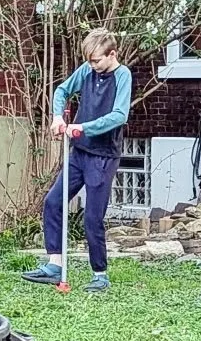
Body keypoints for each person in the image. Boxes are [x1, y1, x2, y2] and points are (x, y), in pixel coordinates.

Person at [22, 28, 132, 293]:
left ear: (112, 54)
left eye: (96, 61)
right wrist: (58, 118)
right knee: (53, 202)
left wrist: (83, 127)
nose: (92, 66)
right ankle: (54, 265)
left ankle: (100, 275)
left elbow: (119, 116)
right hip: (79, 153)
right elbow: (61, 90)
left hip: (103, 156)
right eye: (89, 61)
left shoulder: (123, 76)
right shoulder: (87, 70)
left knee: (92, 218)